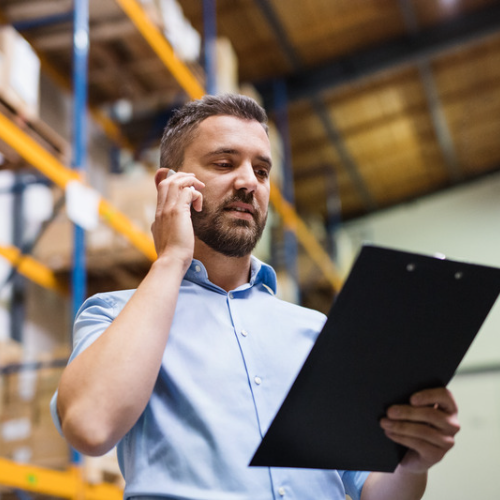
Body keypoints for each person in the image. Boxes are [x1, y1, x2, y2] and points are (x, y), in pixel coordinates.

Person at [51, 94, 460, 500]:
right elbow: (90, 425)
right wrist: (173, 258)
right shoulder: (114, 316)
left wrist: (412, 463)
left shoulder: (316, 332)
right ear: (169, 184)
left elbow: (372, 491)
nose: (249, 182)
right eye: (224, 163)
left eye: (262, 171)